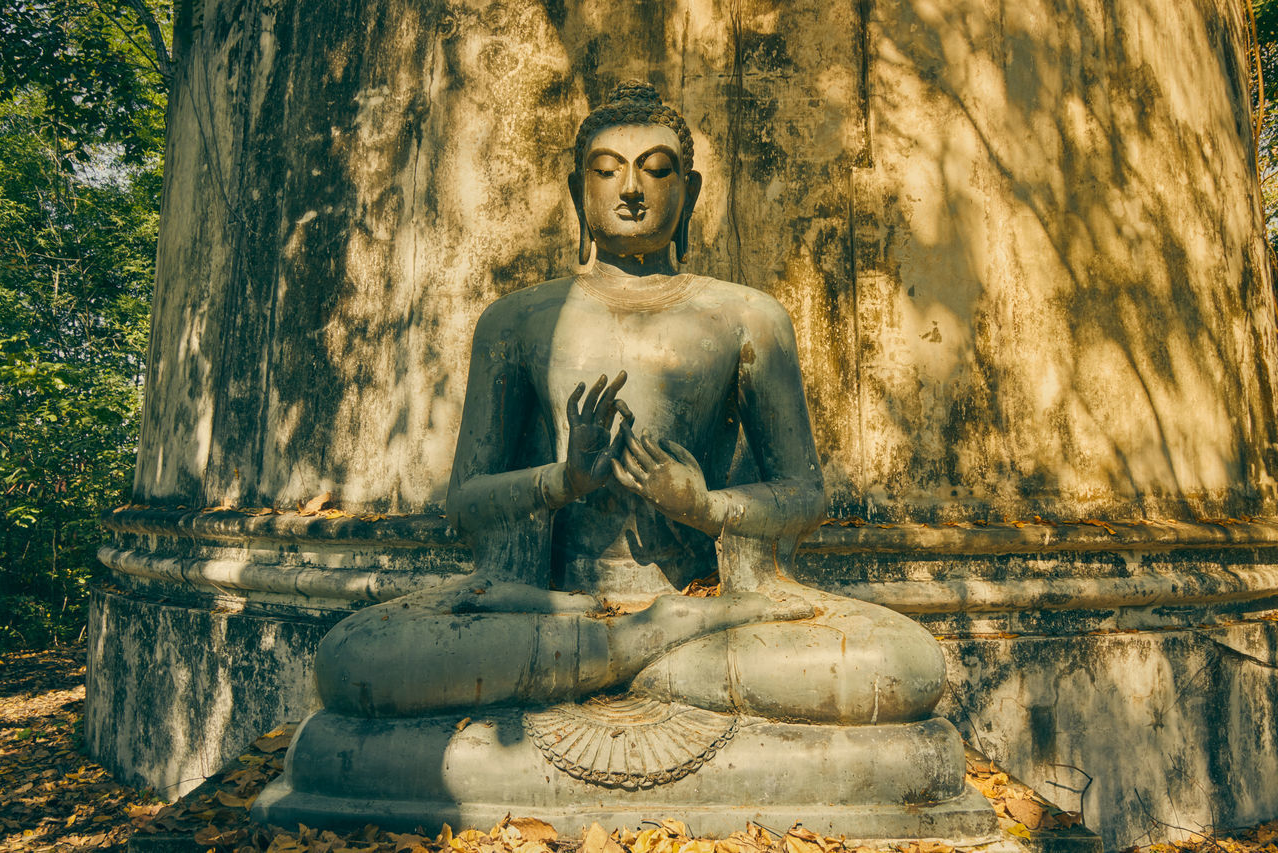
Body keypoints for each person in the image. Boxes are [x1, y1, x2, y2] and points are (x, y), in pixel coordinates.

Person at [315, 82, 942, 725]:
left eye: (657, 170)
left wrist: (704, 506)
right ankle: (642, 650)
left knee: (901, 665)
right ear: (576, 191)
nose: (631, 190)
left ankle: (599, 665)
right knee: (353, 660)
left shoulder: (748, 317)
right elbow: (467, 503)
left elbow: (806, 494)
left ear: (689, 193)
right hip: (560, 609)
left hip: (701, 609)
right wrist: (563, 479)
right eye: (608, 171)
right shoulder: (517, 322)